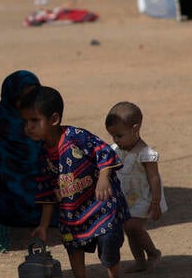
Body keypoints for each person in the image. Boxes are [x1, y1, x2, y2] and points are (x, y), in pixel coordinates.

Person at [20, 86, 130, 278]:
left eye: (34, 120)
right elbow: (47, 192)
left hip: (101, 206)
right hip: (72, 213)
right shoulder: (43, 153)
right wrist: (44, 226)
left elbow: (104, 152)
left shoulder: (76, 137)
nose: (28, 127)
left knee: (108, 243)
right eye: (26, 121)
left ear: (54, 119)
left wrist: (104, 178)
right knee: (73, 245)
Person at [105, 102, 166, 273]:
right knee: (129, 230)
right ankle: (140, 261)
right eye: (112, 136)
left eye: (119, 135)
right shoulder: (116, 149)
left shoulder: (146, 154)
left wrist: (155, 202)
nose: (115, 140)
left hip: (144, 198)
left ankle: (153, 252)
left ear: (135, 128)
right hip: (126, 198)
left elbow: (154, 178)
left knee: (133, 227)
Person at [0, 70, 43, 227]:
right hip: (8, 204)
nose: (28, 102)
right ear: (11, 97)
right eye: (23, 98)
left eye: (33, 96)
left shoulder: (42, 124)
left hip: (43, 200)